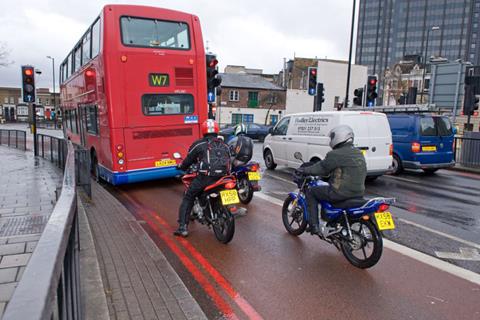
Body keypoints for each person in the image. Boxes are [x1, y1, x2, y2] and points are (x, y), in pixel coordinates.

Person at [297, 125, 367, 235]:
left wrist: (305, 170)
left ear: (339, 137)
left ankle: (314, 225)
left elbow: (321, 168)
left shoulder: (336, 154)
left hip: (341, 192)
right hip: (359, 192)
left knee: (312, 191)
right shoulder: (357, 152)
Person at [174, 119, 231, 237]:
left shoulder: (199, 144)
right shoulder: (224, 145)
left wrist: (181, 166)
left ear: (204, 130)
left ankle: (183, 227)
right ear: (216, 130)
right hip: (224, 177)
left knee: (188, 196)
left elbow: (188, 160)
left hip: (206, 178)